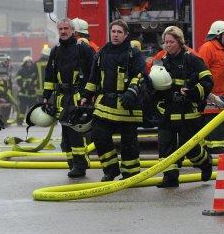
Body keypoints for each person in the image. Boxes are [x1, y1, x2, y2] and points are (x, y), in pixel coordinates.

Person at [80, 19, 145, 181]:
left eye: (119, 32)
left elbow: (141, 75)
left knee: (128, 142)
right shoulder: (102, 52)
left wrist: (131, 92)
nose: (115, 35)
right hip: (105, 103)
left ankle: (131, 173)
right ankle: (110, 169)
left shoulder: (133, 53)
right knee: (98, 135)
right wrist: (86, 96)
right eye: (113, 31)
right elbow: (93, 77)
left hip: (127, 104)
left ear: (126, 35)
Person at [152, 26, 214, 188]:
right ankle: (170, 178)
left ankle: (205, 162)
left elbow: (208, 82)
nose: (168, 45)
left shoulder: (192, 59)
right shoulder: (161, 60)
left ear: (179, 42)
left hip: (188, 113)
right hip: (167, 112)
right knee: (166, 146)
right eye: (165, 42)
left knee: (191, 149)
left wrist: (192, 92)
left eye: (171, 42)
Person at [42, 18, 96, 178]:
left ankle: (80, 165)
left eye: (66, 28)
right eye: (61, 29)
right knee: (66, 135)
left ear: (73, 31)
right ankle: (72, 164)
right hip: (61, 98)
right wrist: (46, 97)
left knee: (75, 133)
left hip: (78, 97)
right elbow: (49, 76)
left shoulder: (83, 49)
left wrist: (88, 95)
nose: (63, 32)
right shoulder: (56, 51)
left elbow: (93, 73)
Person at [197, 20, 224, 156]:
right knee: (214, 129)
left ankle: (218, 152)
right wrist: (210, 95)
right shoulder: (208, 48)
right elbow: (200, 72)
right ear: (218, 35)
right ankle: (215, 155)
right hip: (212, 98)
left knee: (222, 127)